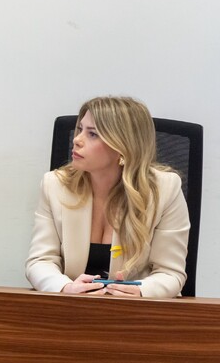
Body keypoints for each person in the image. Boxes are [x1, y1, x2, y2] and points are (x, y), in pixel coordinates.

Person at [26, 96, 190, 298]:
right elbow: (40, 261)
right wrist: (65, 287)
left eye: (92, 134)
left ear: (123, 146)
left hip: (138, 311)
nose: (77, 140)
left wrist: (141, 292)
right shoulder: (55, 185)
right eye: (80, 129)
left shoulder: (165, 189)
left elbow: (170, 272)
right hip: (72, 307)